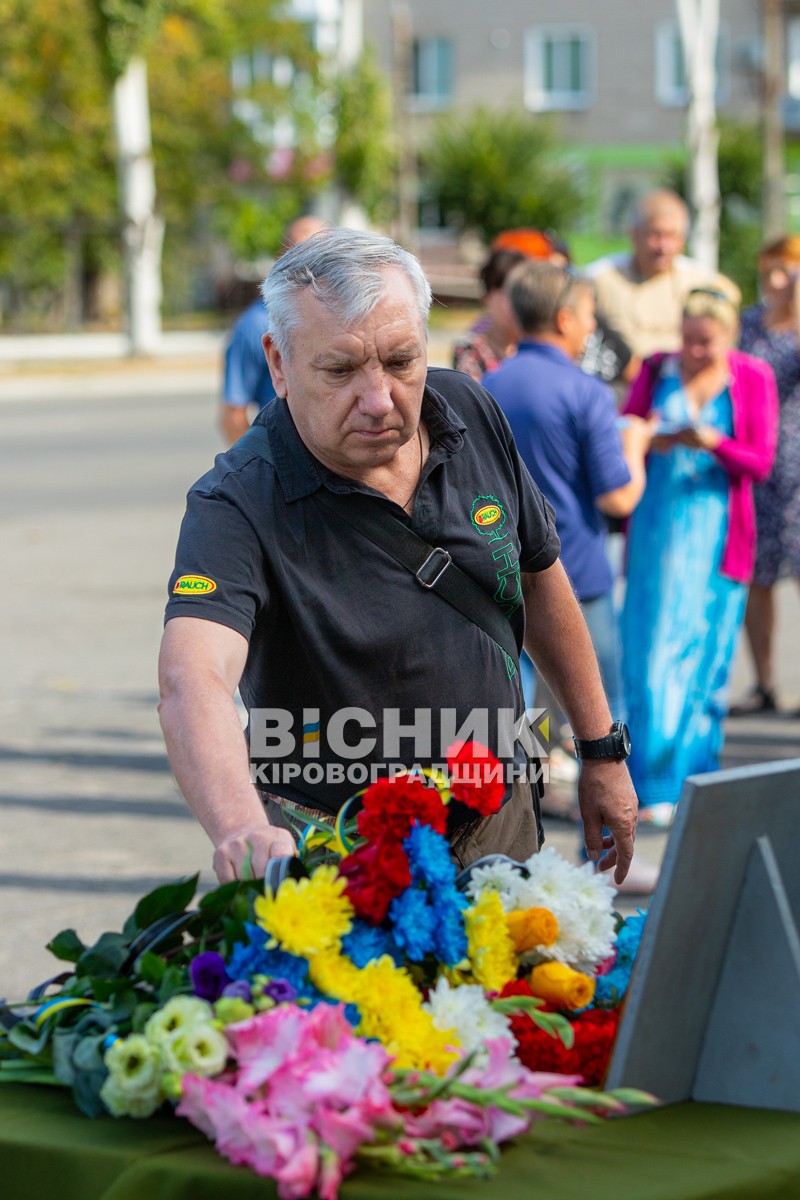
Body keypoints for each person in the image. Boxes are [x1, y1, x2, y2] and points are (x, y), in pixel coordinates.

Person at [159, 228, 639, 886]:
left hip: (497, 818)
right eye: (340, 370)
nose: (380, 398)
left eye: (400, 360)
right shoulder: (237, 500)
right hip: (341, 849)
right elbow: (194, 681)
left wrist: (601, 750)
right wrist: (242, 827)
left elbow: (538, 573)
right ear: (278, 363)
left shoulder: (469, 407)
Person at [620, 286, 778, 825]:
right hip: (656, 533)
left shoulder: (752, 376)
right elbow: (625, 429)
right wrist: (650, 438)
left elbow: (760, 461)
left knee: (706, 659)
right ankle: (651, 781)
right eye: (687, 339)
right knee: (651, 656)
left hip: (717, 537)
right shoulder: (657, 367)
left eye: (704, 343)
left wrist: (713, 442)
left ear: (727, 337)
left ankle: (697, 776)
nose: (692, 351)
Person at [483, 261, 651, 728]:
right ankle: (602, 796)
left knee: (521, 708)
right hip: (575, 570)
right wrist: (635, 449)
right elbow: (617, 499)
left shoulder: (491, 384)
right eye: (588, 314)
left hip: (505, 562)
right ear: (564, 319)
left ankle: (529, 796)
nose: (592, 325)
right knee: (601, 706)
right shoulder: (586, 391)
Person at [729, 236, 800, 715]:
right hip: (759, 465)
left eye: (787, 272)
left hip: (797, 470)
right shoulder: (749, 323)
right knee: (759, 578)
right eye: (770, 270)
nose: (776, 281)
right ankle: (765, 682)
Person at [585, 190, 738, 372]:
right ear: (634, 234)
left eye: (672, 236)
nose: (664, 246)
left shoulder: (702, 282)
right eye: (655, 235)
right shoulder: (601, 279)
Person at [219, 214, 328, 445]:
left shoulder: (349, 318)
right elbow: (232, 417)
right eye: (301, 254)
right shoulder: (255, 324)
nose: (312, 267)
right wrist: (266, 472)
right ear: (282, 261)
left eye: (323, 255)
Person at [452, 246, 528, 381]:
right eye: (508, 293)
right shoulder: (471, 352)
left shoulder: (535, 346)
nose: (517, 302)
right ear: (487, 297)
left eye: (523, 293)